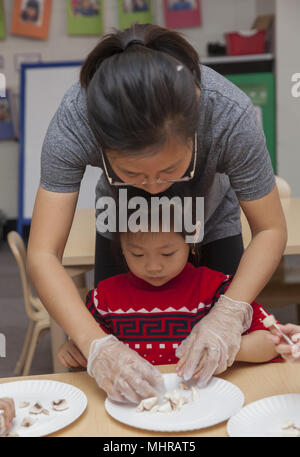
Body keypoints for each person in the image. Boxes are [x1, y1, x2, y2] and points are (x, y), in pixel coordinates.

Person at [27, 23, 287, 402]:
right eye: (132, 173)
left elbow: (270, 230)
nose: (153, 186)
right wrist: (95, 346)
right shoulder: (76, 119)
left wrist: (228, 315)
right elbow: (43, 253)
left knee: (226, 372)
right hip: (124, 226)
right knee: (118, 366)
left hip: (211, 224)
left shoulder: (229, 114)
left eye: (169, 170)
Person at [57, 208, 280, 403]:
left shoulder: (217, 290)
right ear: (121, 247)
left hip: (204, 402)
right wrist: (76, 350)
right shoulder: (105, 298)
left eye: (167, 253)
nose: (153, 266)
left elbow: (274, 342)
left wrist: (224, 348)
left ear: (190, 241)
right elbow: (87, 347)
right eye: (138, 253)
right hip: (135, 406)